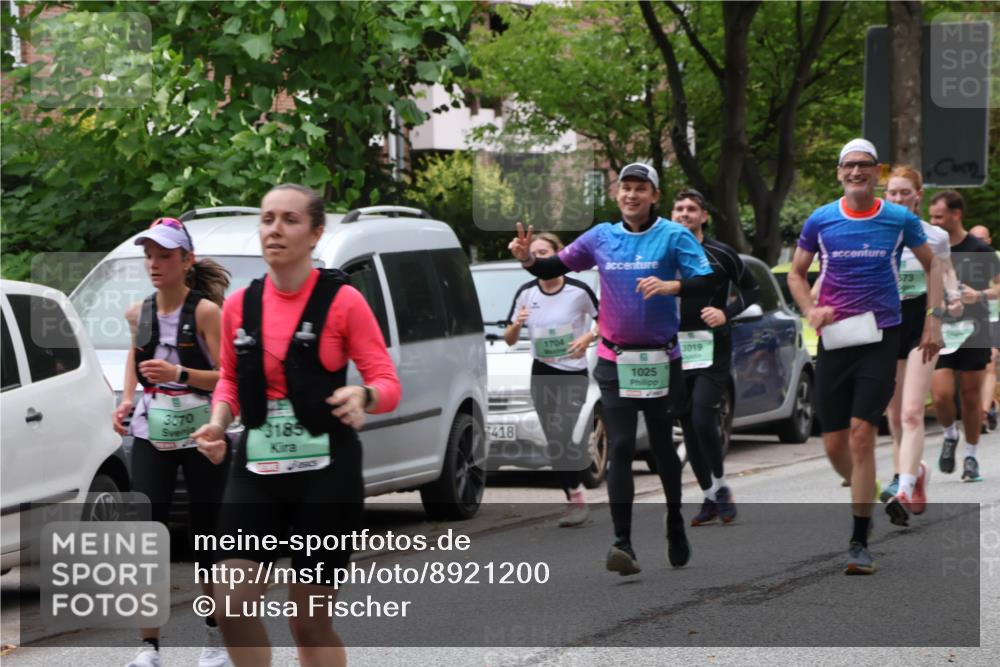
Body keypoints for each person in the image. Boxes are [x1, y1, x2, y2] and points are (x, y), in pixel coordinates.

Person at [192, 184, 401, 667]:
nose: (275, 229)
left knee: (307, 621)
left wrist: (363, 395)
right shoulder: (241, 304)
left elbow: (386, 381)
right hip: (258, 467)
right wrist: (218, 423)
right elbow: (229, 377)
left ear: (315, 233)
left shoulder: (343, 301)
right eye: (267, 219)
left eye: (289, 219)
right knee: (231, 604)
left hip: (326, 473)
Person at [508, 162, 716, 576]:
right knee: (619, 446)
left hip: (660, 359)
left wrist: (672, 285)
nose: (632, 195)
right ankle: (623, 542)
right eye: (626, 188)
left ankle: (675, 520)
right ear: (617, 194)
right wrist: (528, 260)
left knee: (660, 446)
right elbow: (555, 268)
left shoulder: (673, 236)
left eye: (641, 188)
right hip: (614, 357)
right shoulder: (601, 236)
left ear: (655, 196)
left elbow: (706, 281)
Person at [787, 139, 941, 575]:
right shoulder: (821, 219)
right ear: (839, 173)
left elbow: (931, 265)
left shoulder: (897, 219)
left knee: (861, 435)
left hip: (880, 337)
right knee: (834, 444)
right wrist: (809, 309)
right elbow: (797, 274)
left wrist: (931, 319)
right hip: (834, 339)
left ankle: (859, 541)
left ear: (876, 173)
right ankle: (873, 489)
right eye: (849, 166)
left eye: (865, 166)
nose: (857, 172)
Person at [111, 217, 233, 667]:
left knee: (207, 544)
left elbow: (226, 376)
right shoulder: (137, 314)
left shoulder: (205, 312)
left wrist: (180, 374)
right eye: (149, 256)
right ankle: (149, 649)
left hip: (203, 435)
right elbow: (135, 360)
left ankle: (215, 639)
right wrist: (126, 400)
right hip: (152, 436)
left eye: (164, 256)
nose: (155, 264)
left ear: (187, 261)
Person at [669, 188, 759, 526]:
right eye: (679, 209)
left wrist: (727, 312)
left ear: (703, 216)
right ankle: (708, 496)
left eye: (692, 209)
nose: (684, 214)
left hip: (711, 347)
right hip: (673, 348)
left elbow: (752, 290)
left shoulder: (721, 253)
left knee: (704, 417)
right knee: (688, 426)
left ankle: (721, 487)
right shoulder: (663, 254)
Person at [504, 232, 600, 526]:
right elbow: (509, 339)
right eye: (536, 253)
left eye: (545, 252)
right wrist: (517, 325)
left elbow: (604, 319)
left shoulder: (579, 290)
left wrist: (587, 336)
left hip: (573, 373)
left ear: (559, 254)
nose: (541, 258)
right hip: (542, 372)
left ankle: (577, 495)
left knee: (560, 430)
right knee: (554, 440)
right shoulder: (525, 292)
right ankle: (573, 494)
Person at [879, 166, 955, 527]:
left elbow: (944, 274)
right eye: (891, 193)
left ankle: (904, 486)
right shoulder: (877, 232)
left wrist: (946, 306)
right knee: (893, 416)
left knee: (911, 412)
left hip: (921, 321)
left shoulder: (934, 236)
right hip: (888, 322)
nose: (896, 199)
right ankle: (912, 472)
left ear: (918, 195)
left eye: (904, 193)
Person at [930, 190, 1000, 483]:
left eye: (938, 216)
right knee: (942, 395)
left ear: (956, 215)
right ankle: (949, 435)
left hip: (975, 329)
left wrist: (979, 294)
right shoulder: (930, 248)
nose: (933, 221)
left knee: (970, 397)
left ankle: (971, 457)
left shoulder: (979, 250)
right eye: (931, 216)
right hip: (941, 330)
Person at [967, 224, 998, 432]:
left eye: (981, 238)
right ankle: (984, 407)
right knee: (974, 370)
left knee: (990, 362)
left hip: (995, 317)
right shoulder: (961, 259)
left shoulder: (995, 257)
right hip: (972, 319)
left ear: (989, 241)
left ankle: (983, 414)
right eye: (973, 237)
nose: (977, 241)